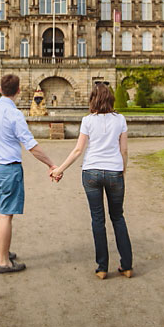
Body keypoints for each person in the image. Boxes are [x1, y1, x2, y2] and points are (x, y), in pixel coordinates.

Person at [51, 83, 133, 279]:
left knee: (98, 219)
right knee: (118, 218)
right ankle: (127, 266)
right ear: (111, 99)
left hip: (91, 172)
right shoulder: (120, 119)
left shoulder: (87, 120)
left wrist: (59, 170)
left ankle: (102, 268)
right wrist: (123, 171)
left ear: (93, 100)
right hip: (114, 171)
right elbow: (124, 150)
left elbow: (78, 150)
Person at [0, 73, 56, 274]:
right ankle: (4, 261)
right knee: (6, 215)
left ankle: (1, 251)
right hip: (8, 168)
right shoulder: (14, 115)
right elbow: (31, 146)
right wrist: (50, 164)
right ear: (18, 91)